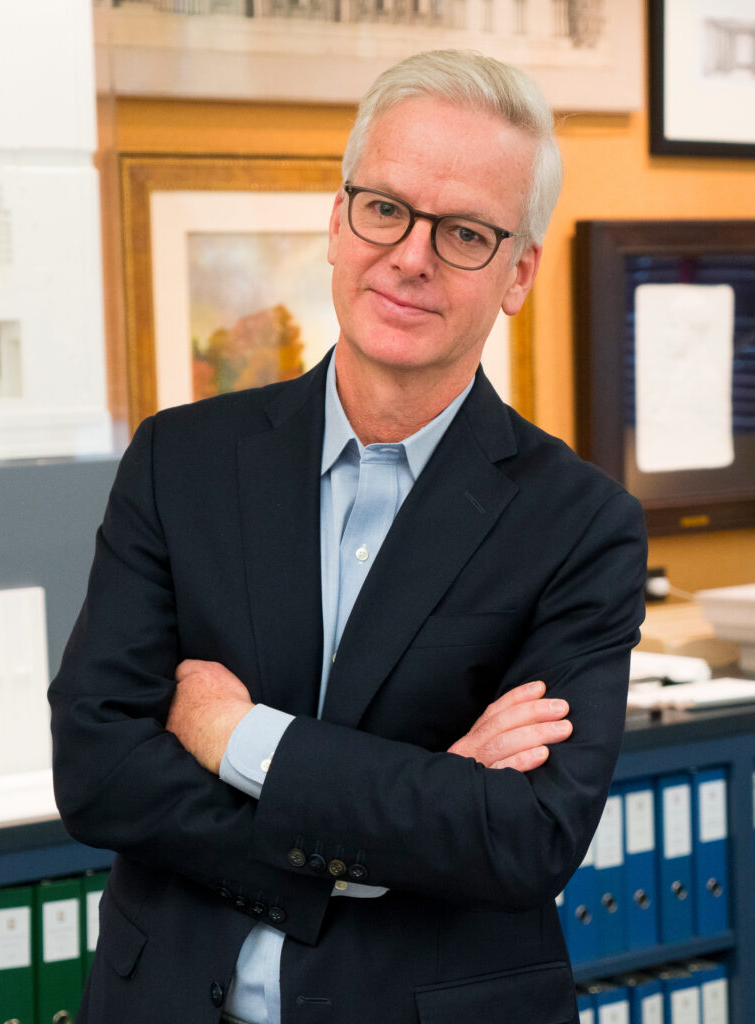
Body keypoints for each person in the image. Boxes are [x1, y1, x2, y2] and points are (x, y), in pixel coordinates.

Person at [49, 49, 647, 1024]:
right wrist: (390, 824)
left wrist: (231, 734)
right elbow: (98, 769)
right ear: (337, 220)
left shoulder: (580, 525)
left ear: (517, 273)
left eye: (462, 233)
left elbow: (523, 836)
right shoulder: (179, 460)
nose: (409, 256)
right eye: (383, 209)